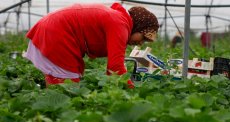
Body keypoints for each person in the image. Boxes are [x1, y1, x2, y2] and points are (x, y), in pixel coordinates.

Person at [23, 3, 159, 87]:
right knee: (68, 88)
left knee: (64, 83)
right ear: (138, 26)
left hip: (53, 30)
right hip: (57, 33)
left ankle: (52, 114)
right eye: (143, 37)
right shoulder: (120, 24)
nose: (141, 43)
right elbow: (115, 68)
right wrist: (131, 90)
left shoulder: (118, 20)